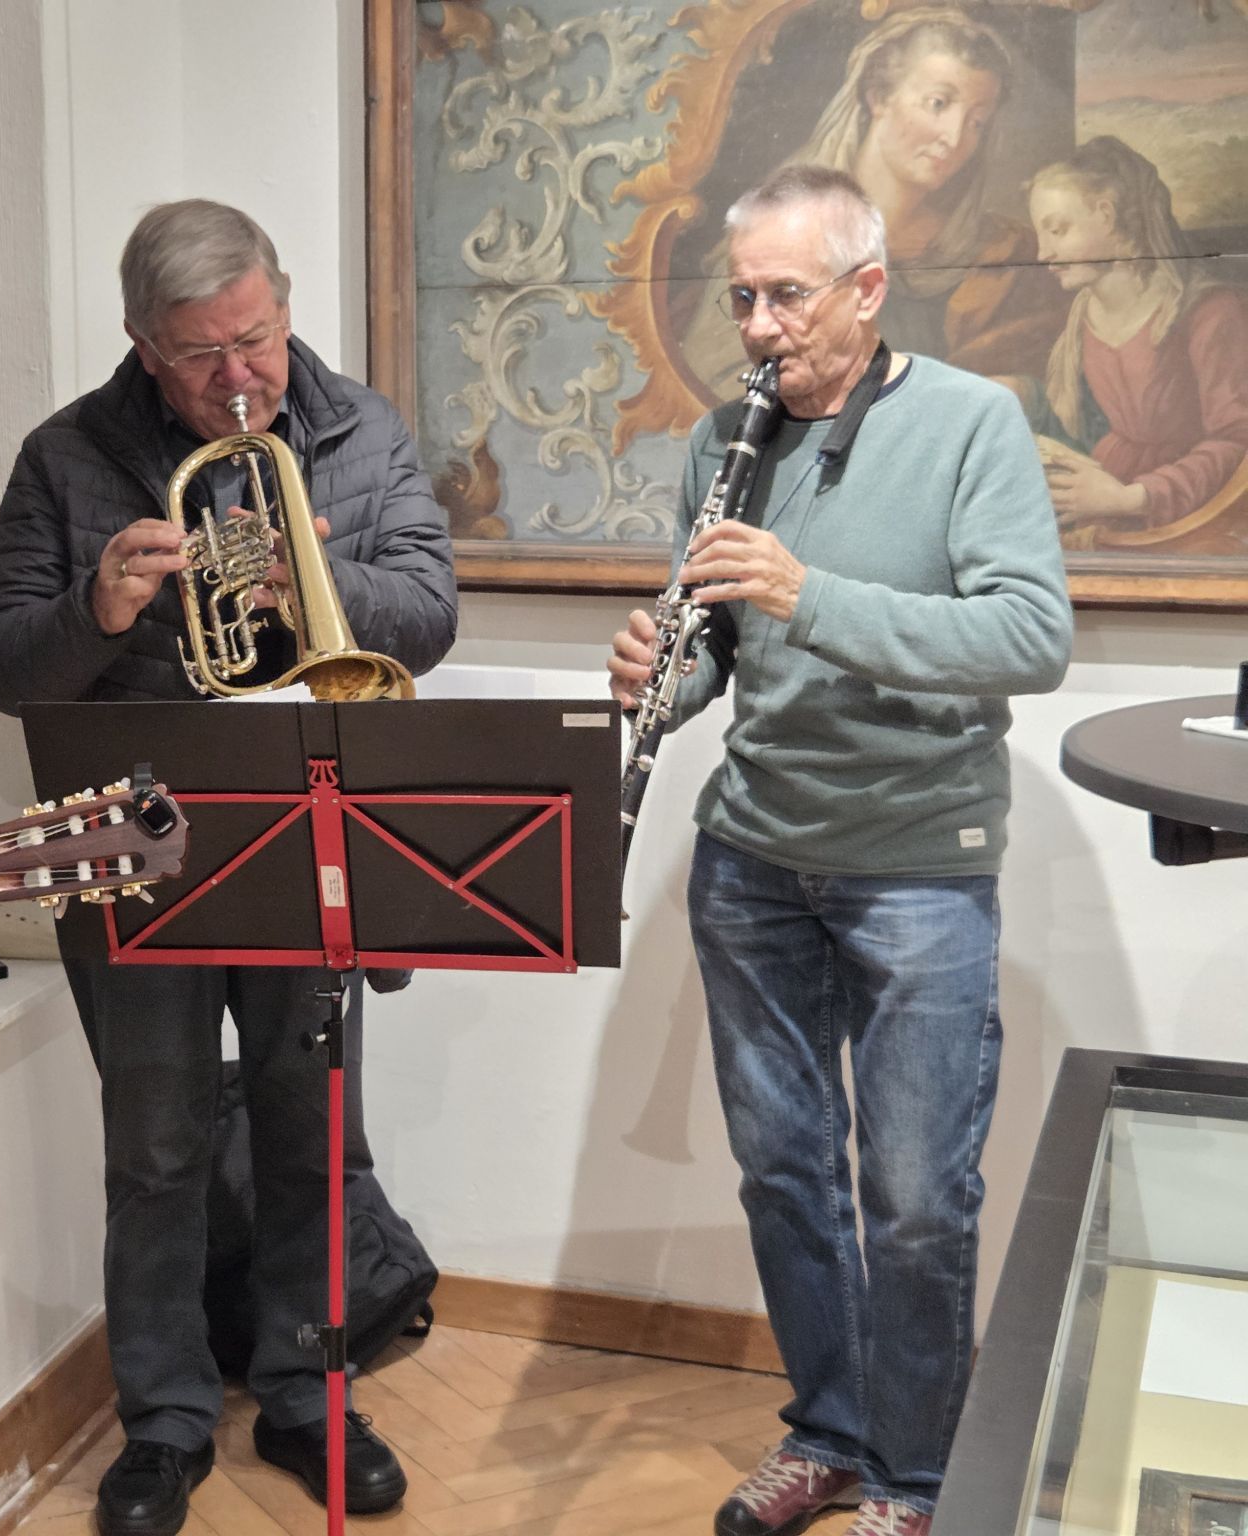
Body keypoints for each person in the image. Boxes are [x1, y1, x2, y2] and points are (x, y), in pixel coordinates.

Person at [0, 199, 456, 1535]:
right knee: (157, 1151)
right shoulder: (65, 459)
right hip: (130, 856)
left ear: (284, 303)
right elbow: (1, 662)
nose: (240, 378)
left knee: (311, 1136)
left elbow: (431, 606)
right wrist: (98, 608)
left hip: (308, 843)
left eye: (257, 339)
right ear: (141, 344)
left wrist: (322, 599)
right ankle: (166, 1422)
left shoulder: (360, 432)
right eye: (200, 357)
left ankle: (308, 1396)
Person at [608, 166, 1070, 1536]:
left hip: (921, 862)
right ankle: (830, 1429)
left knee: (919, 1197)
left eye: (787, 296)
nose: (757, 325)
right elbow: (720, 654)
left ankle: (918, 1478)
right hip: (754, 861)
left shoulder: (973, 423)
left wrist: (811, 593)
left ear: (867, 292)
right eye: (742, 297)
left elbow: (1027, 640)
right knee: (786, 1171)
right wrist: (658, 665)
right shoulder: (725, 440)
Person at [681, 6, 1060, 401]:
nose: (955, 136)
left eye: (977, 122)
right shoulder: (778, 230)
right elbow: (724, 377)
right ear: (878, 96)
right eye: (938, 103)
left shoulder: (989, 250)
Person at [1024, 136, 1248, 549]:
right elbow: (1085, 426)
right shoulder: (1081, 314)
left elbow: (1237, 441)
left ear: (1106, 216)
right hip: (1109, 491)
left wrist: (1130, 498)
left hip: (1186, 509)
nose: (1042, 253)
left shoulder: (1209, 311)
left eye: (1057, 230)